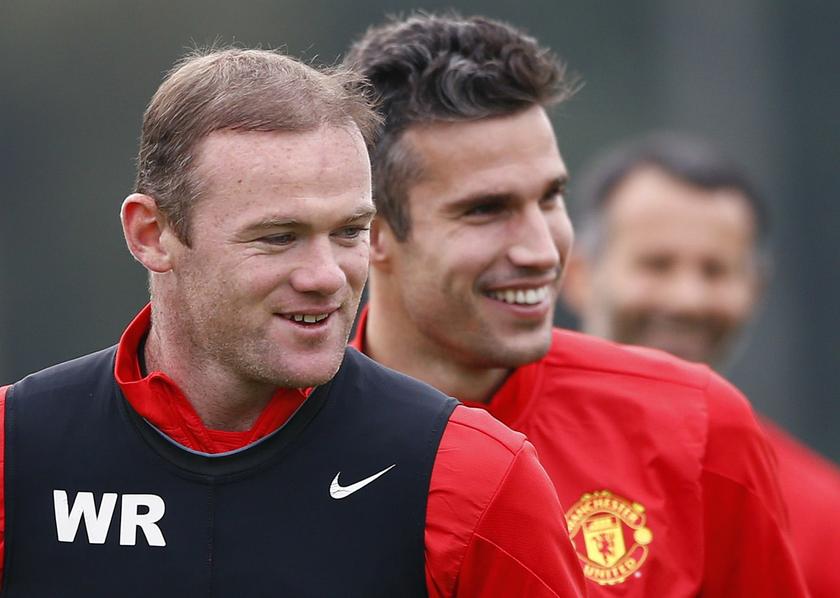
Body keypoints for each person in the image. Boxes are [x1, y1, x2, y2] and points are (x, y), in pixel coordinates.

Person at [0, 48, 587, 597]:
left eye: (349, 232)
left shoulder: (473, 474)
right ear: (152, 235)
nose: (326, 275)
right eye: (279, 237)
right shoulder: (15, 449)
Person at [344, 13, 809, 596]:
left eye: (551, 197)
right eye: (486, 210)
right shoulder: (273, 437)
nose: (542, 249)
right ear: (373, 231)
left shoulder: (697, 427)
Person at [560, 131, 840, 597]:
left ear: (755, 288)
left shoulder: (823, 516)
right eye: (657, 265)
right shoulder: (500, 463)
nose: (688, 299)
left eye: (715, 270)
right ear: (580, 275)